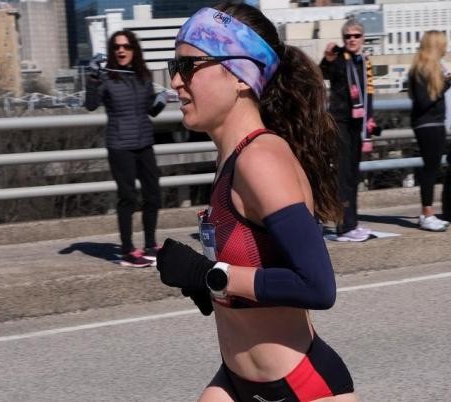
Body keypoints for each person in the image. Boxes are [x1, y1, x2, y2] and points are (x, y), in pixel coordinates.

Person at [156, 3, 357, 401]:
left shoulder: (260, 159)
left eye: (189, 66)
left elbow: (317, 285)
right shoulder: (229, 158)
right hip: (235, 381)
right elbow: (256, 267)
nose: (176, 81)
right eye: (174, 66)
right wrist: (208, 286)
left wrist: (210, 276)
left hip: (298, 388)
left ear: (240, 75)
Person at [84, 30, 167, 268]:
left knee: (153, 194)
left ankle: (150, 245)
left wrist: (159, 103)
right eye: (117, 47)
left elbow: (150, 110)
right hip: (120, 145)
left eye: (127, 46)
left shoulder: (143, 76)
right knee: (128, 197)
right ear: (112, 52)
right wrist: (92, 77)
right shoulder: (106, 77)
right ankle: (128, 251)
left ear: (134, 50)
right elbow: (90, 105)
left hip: (144, 142)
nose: (121, 50)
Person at [320, 18, 377, 242]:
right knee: (342, 175)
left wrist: (370, 124)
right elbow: (323, 72)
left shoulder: (364, 62)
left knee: (353, 175)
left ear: (363, 38)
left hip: (357, 125)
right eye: (348, 36)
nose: (352, 39)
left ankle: (351, 222)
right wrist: (327, 59)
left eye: (356, 36)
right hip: (340, 122)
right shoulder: (338, 58)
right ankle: (343, 226)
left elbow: (368, 95)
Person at [408, 30, 451, 232]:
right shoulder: (420, 69)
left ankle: (427, 213)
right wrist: (446, 84)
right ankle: (427, 213)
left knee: (433, 168)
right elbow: (423, 101)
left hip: (435, 123)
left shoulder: (433, 68)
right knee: (430, 169)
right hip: (427, 124)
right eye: (443, 44)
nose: (446, 48)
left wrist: (447, 82)